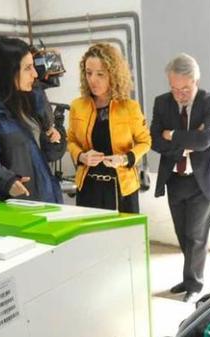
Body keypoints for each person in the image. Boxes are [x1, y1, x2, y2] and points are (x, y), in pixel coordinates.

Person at [150, 53, 210, 302]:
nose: (179, 94)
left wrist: (171, 134)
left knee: (196, 235)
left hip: (201, 180)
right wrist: (185, 139)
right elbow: (155, 140)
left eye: (185, 88)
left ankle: (195, 283)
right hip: (175, 179)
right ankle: (188, 276)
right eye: (174, 88)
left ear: (196, 80)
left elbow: (204, 141)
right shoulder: (162, 103)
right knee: (182, 233)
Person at [0, 37, 64, 203]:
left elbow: (42, 154)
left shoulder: (29, 100)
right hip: (17, 207)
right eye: (28, 68)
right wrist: (7, 182)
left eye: (33, 66)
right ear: (7, 71)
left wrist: (53, 138)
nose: (35, 74)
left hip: (45, 199)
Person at [67, 43, 151, 213]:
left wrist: (125, 159)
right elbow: (71, 141)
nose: (92, 80)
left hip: (123, 188)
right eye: (88, 73)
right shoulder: (77, 106)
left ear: (113, 75)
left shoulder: (130, 107)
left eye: (100, 74)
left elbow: (145, 142)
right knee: (91, 237)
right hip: (88, 187)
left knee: (124, 238)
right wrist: (81, 156)